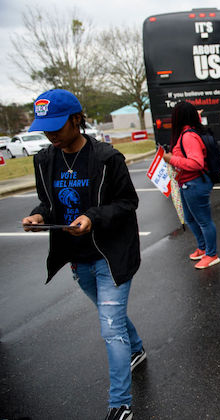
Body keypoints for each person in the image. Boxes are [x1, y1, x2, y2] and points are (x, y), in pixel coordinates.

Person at [22, 89, 145, 420]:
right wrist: (38, 215)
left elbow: (127, 202)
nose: (51, 136)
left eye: (57, 128)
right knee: (113, 321)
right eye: (46, 130)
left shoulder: (107, 158)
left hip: (110, 257)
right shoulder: (44, 159)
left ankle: (120, 404)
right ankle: (137, 348)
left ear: (77, 119)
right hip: (78, 258)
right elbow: (50, 203)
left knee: (109, 327)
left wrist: (93, 217)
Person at [162, 101, 220, 269]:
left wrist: (170, 159)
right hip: (188, 183)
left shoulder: (188, 136)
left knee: (203, 221)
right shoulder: (186, 134)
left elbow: (196, 163)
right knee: (190, 219)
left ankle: (212, 254)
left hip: (195, 183)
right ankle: (203, 248)